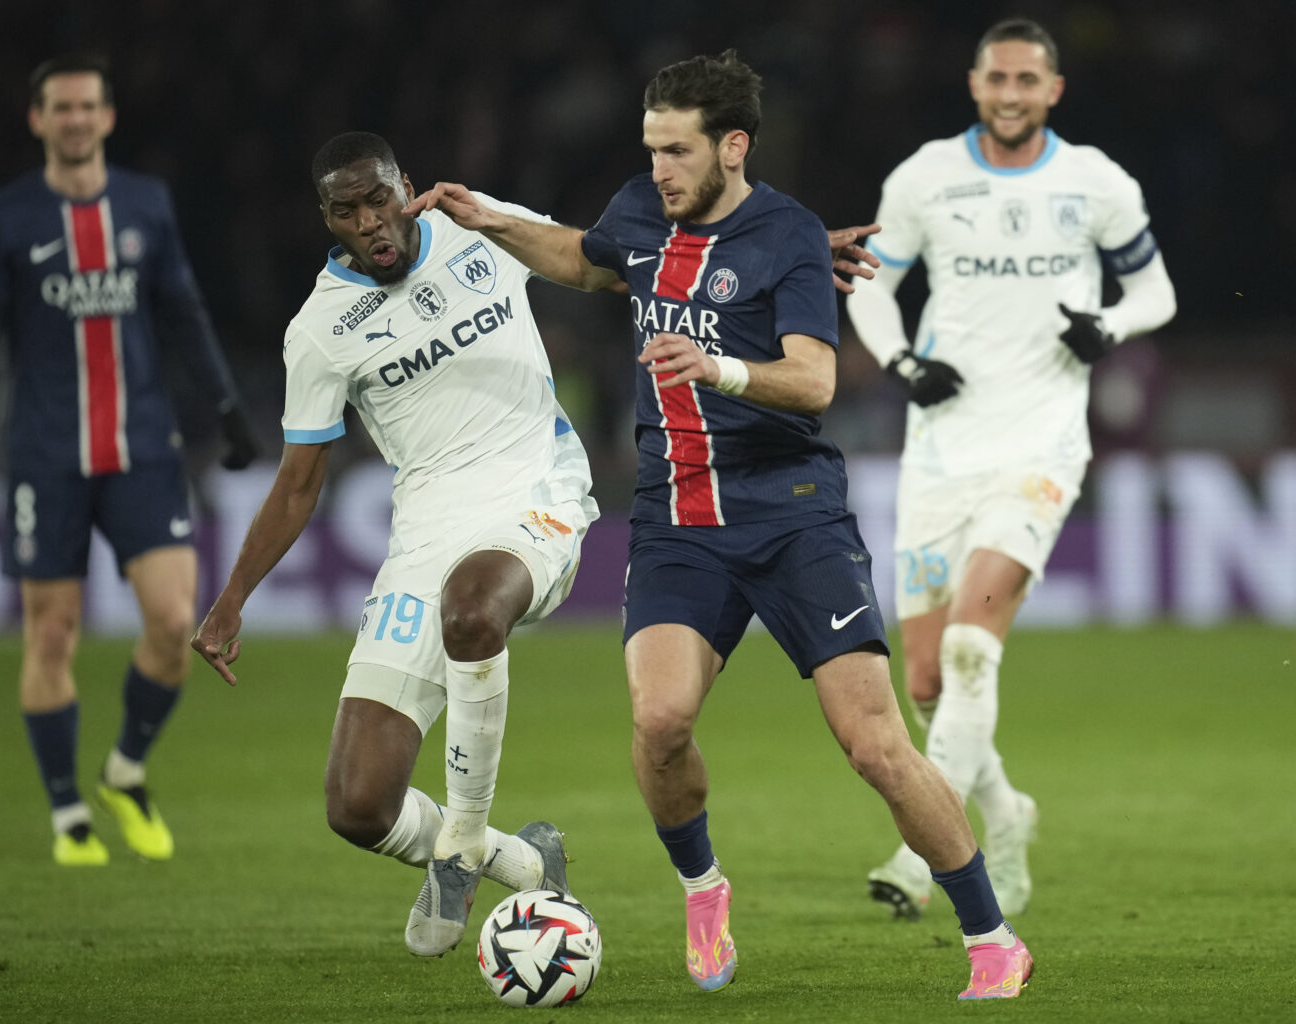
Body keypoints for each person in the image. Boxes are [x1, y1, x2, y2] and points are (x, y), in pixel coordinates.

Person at [404, 50, 1033, 1000]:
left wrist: (716, 367)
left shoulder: (788, 240)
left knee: (873, 745)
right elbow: (584, 258)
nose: (658, 168)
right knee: (659, 722)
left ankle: (991, 936)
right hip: (676, 520)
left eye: (678, 150)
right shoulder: (638, 214)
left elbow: (814, 381)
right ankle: (704, 890)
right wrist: (492, 220)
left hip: (791, 514)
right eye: (652, 148)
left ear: (732, 147)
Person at [190, 132, 594, 957]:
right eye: (347, 211)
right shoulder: (321, 331)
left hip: (536, 499)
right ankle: (513, 857)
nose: (370, 221)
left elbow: (591, 262)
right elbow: (299, 484)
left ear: (406, 187)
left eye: (379, 199)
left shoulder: (479, 225)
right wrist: (232, 598)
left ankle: (459, 842)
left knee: (475, 611)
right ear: (327, 220)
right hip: (424, 541)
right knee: (358, 804)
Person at [845, 18, 1177, 922]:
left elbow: (1158, 291)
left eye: (1029, 80)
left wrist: (1108, 324)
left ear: (1053, 91)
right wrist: (905, 361)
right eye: (999, 78)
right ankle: (1007, 810)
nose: (1013, 93)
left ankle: (923, 858)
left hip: (1041, 450)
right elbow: (870, 280)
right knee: (922, 682)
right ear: (975, 84)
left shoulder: (1094, 182)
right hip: (942, 456)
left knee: (968, 648)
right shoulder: (926, 177)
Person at [0, 53, 258, 867]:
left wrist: (227, 409)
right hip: (46, 455)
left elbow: (183, 311)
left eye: (88, 106)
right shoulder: (6, 216)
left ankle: (125, 769)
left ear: (107, 118)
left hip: (143, 450)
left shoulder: (145, 205)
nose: (76, 119)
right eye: (61, 108)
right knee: (51, 633)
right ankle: (67, 814)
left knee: (169, 621)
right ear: (38, 120)